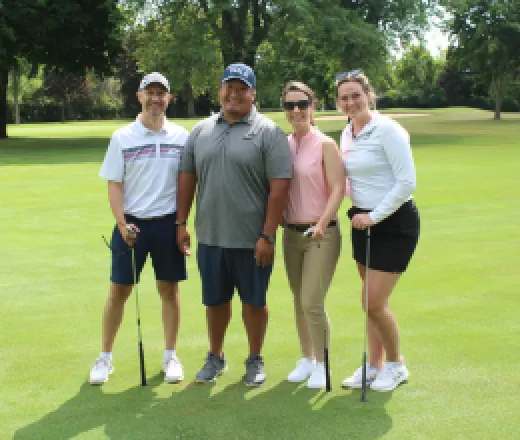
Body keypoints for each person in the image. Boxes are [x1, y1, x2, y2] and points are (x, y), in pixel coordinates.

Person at [176, 63, 292, 387]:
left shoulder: (269, 132)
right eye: (229, 87)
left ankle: (255, 359)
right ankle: (215, 356)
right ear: (220, 91)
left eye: (242, 88)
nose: (235, 94)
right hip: (211, 237)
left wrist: (268, 235)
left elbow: (279, 188)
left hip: (252, 239)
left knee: (254, 302)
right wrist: (180, 222)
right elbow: (187, 178)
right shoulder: (200, 131)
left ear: (253, 94)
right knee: (215, 301)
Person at [89, 72, 188, 385]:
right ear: (139, 97)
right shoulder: (123, 137)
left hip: (168, 224)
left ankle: (170, 355)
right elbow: (115, 185)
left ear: (169, 98)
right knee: (119, 290)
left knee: (169, 290)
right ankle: (104, 357)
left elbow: (187, 185)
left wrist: (182, 224)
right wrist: (121, 224)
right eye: (151, 93)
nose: (156, 99)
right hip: (131, 224)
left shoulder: (181, 137)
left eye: (162, 93)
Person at [336, 70, 420, 392]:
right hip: (362, 221)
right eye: (344, 97)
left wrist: (375, 215)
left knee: (374, 302)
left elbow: (406, 182)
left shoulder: (388, 130)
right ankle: (374, 366)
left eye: (356, 95)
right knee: (370, 302)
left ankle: (397, 365)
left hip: (394, 223)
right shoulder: (347, 133)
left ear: (369, 95)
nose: (350, 102)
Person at [280, 82, 345, 388]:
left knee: (312, 301)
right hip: (290, 234)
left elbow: (338, 190)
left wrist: (322, 222)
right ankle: (307, 358)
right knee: (298, 300)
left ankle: (323, 362)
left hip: (321, 234)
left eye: (302, 104)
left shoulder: (325, 144)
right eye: (290, 105)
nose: (296, 110)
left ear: (313, 106)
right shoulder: (284, 144)